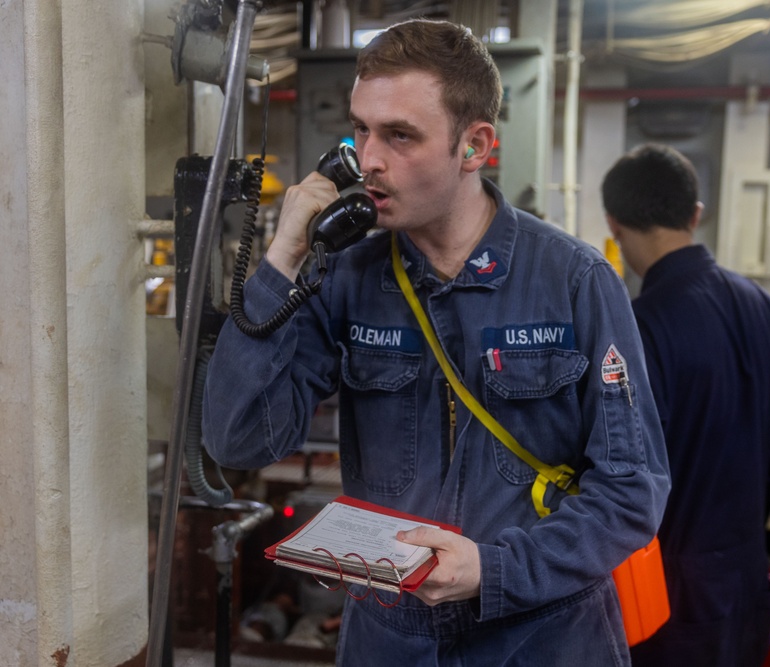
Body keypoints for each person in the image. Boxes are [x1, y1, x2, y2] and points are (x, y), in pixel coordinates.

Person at [202, 19, 670, 667]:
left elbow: (632, 487)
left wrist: (497, 568)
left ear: (474, 145)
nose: (368, 159)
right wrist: (283, 257)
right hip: (391, 638)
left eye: (399, 135)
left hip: (541, 635)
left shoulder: (574, 280)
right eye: (361, 129)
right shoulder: (344, 277)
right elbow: (240, 438)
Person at [601, 143, 770, 666]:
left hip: (671, 590)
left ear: (614, 224)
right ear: (696, 215)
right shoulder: (760, 304)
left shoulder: (640, 326)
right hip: (746, 573)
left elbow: (624, 469)